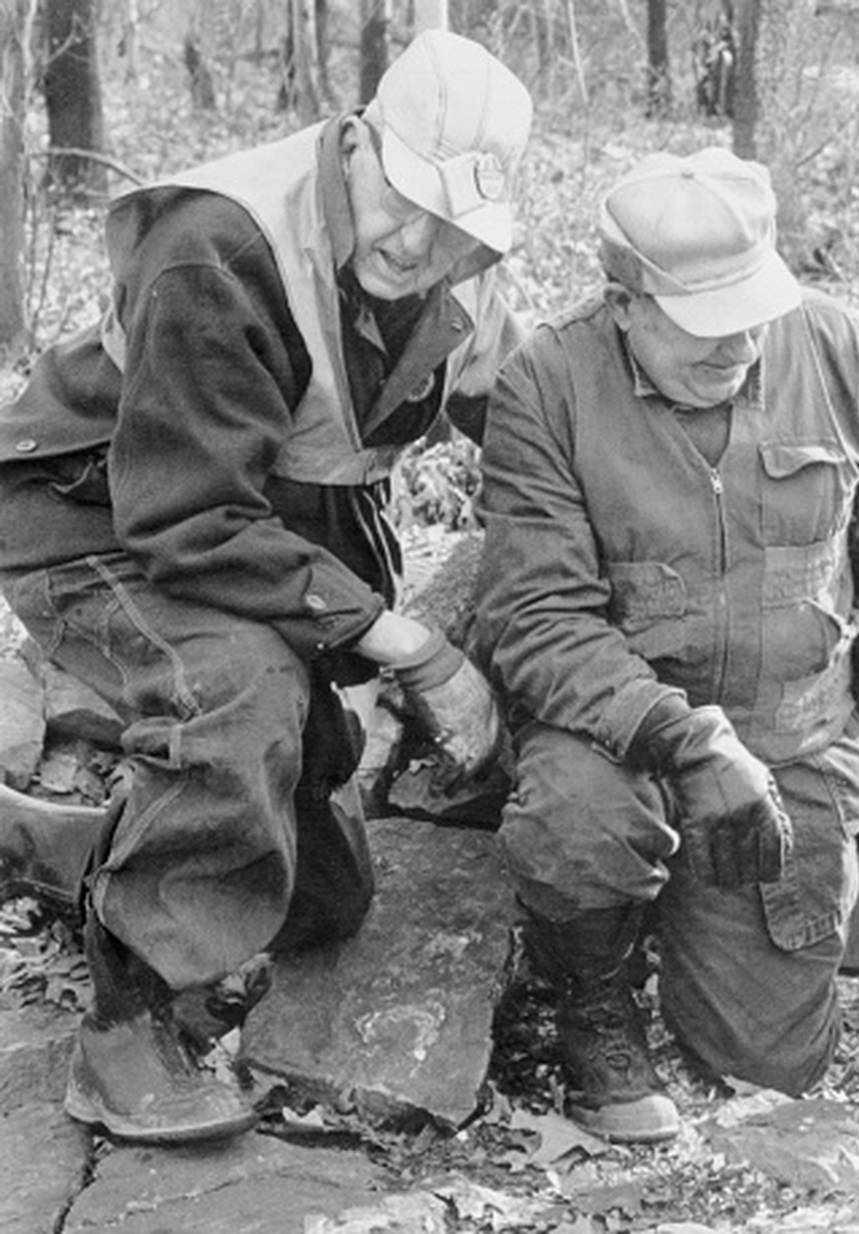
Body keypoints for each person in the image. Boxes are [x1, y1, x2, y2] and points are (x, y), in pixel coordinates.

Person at [0, 30, 532, 1144]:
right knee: (238, 693)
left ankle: (48, 846)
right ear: (359, 144)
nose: (419, 242)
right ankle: (130, 1029)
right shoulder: (218, 245)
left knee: (318, 897)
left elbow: (534, 436)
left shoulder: (459, 271)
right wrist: (415, 651)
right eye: (404, 199)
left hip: (245, 515)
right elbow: (187, 519)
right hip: (95, 510)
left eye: (454, 224)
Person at [470, 147, 859, 1143]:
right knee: (578, 818)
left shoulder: (844, 351)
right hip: (616, 743)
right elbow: (536, 620)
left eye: (750, 308)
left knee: (765, 1062)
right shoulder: (549, 382)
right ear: (625, 302)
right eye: (701, 322)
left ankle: (688, 920)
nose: (736, 342)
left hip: (793, 741)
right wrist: (686, 742)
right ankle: (594, 992)